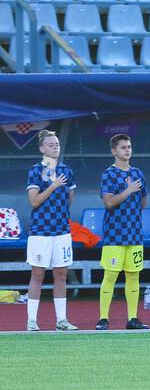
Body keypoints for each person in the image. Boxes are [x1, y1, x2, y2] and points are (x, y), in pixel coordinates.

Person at [24, 129, 77, 331]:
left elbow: (70, 199)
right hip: (40, 231)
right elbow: (34, 201)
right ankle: (31, 321)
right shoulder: (35, 171)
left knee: (61, 274)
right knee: (37, 274)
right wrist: (54, 185)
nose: (55, 147)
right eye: (51, 144)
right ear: (41, 148)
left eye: (57, 144)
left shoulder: (66, 170)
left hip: (62, 230)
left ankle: (62, 320)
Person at [97, 133, 148, 331]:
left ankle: (133, 318)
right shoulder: (108, 174)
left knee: (133, 276)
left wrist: (132, 203)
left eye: (129, 146)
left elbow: (143, 200)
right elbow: (109, 202)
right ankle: (103, 319)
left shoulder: (138, 173)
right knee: (110, 275)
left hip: (134, 233)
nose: (128, 150)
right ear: (114, 151)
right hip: (114, 234)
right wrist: (128, 191)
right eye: (123, 147)